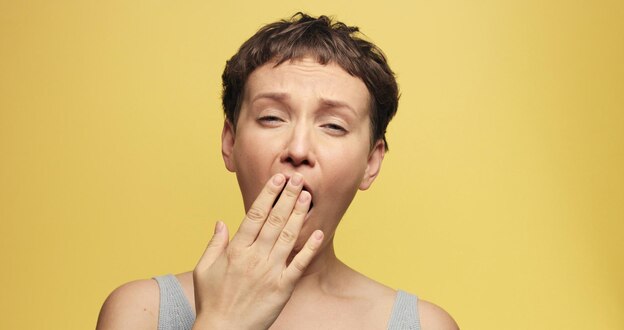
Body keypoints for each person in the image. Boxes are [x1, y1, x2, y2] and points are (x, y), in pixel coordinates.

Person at [97, 13, 458, 330]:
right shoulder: (141, 312)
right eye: (271, 117)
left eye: (333, 125)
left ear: (371, 162)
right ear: (230, 141)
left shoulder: (423, 325)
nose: (298, 150)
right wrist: (222, 323)